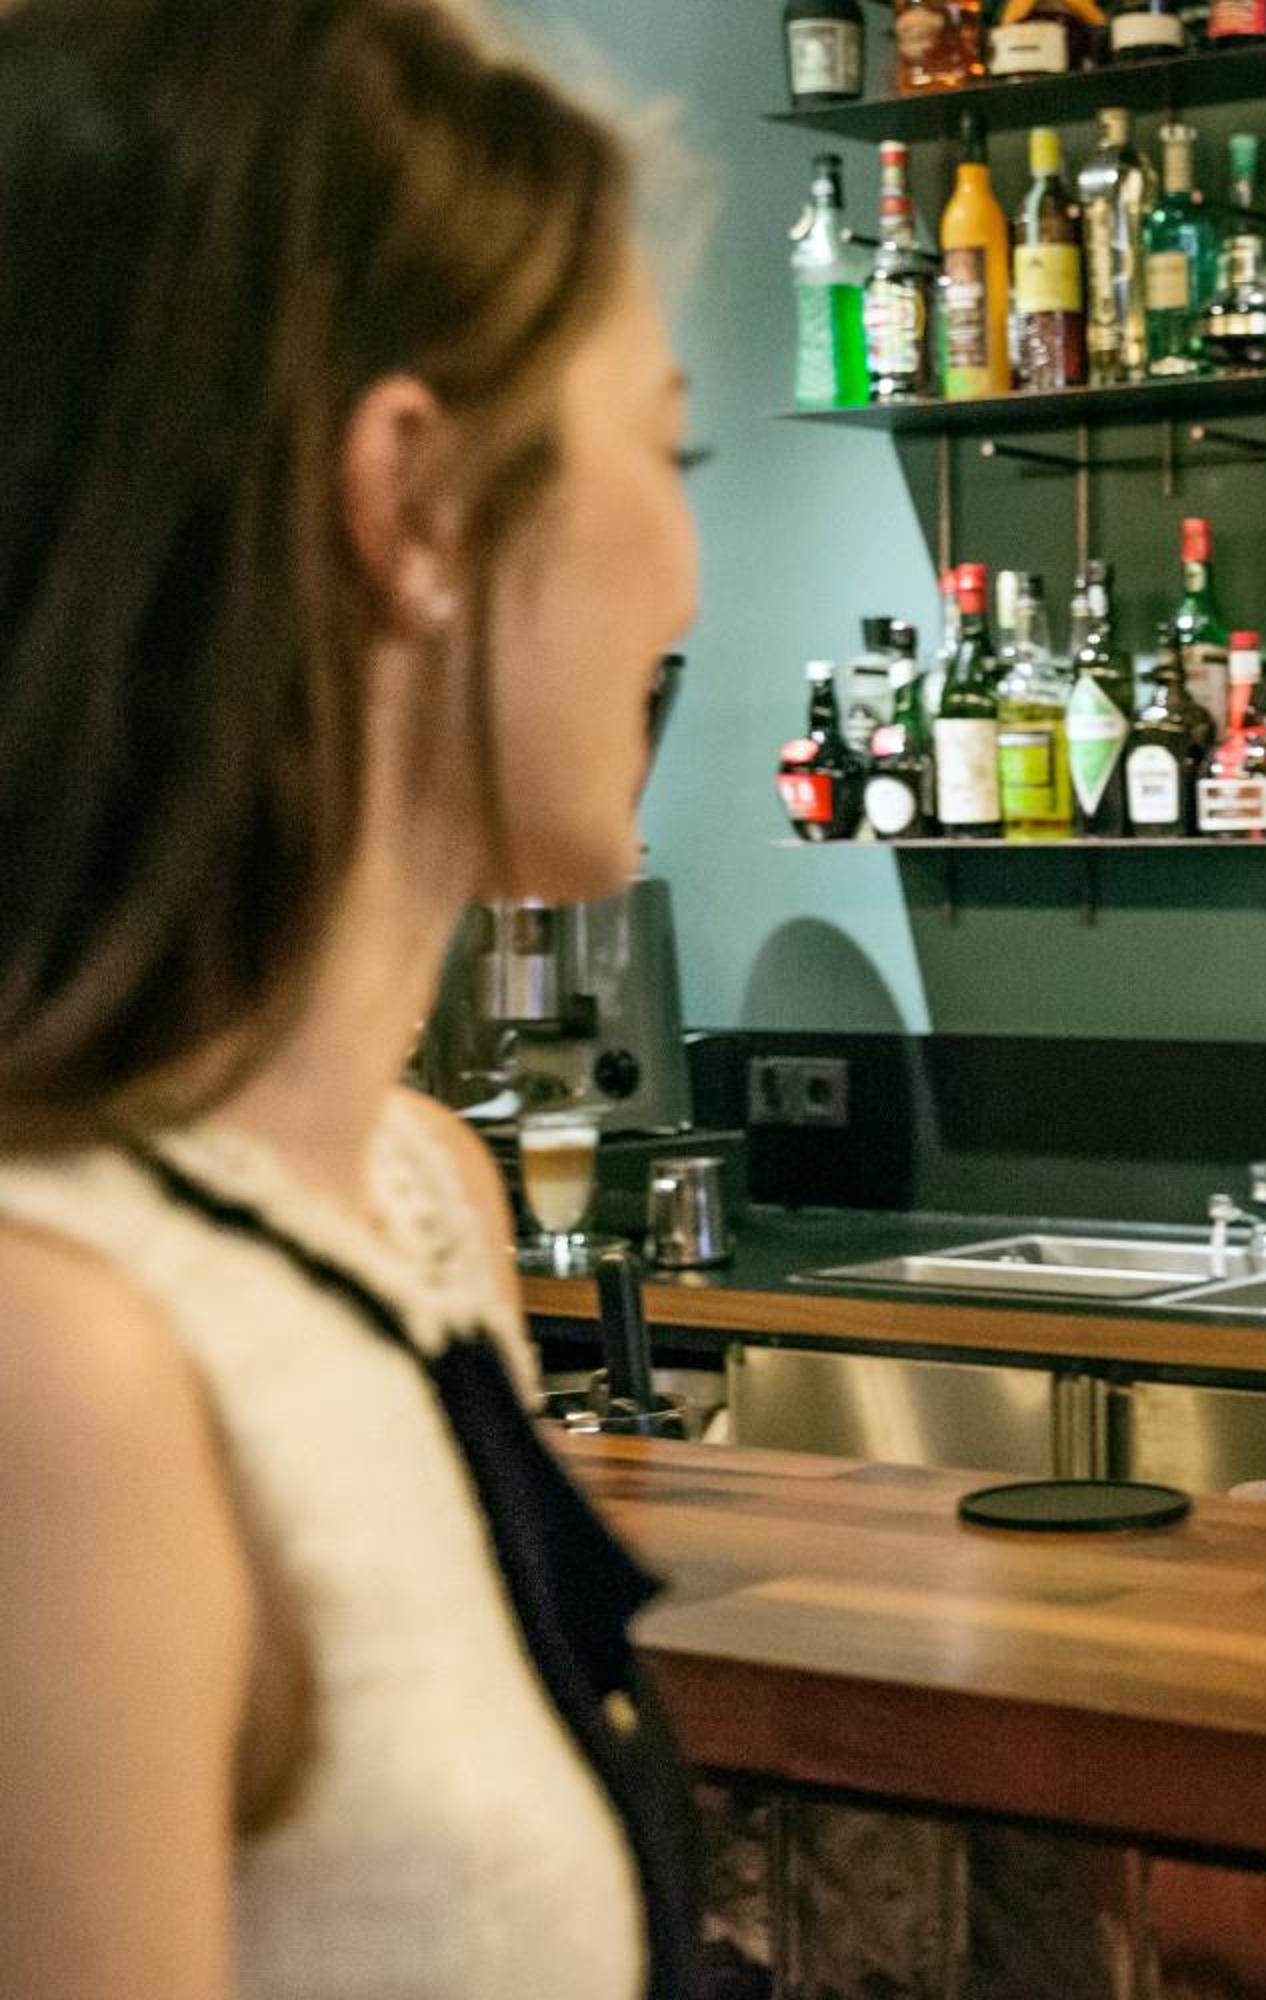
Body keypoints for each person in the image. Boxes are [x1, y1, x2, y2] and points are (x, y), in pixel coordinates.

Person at [0, 4, 702, 1996]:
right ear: (417, 502)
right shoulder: (64, 1362)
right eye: (669, 452)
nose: (683, 575)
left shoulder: (416, 1202)